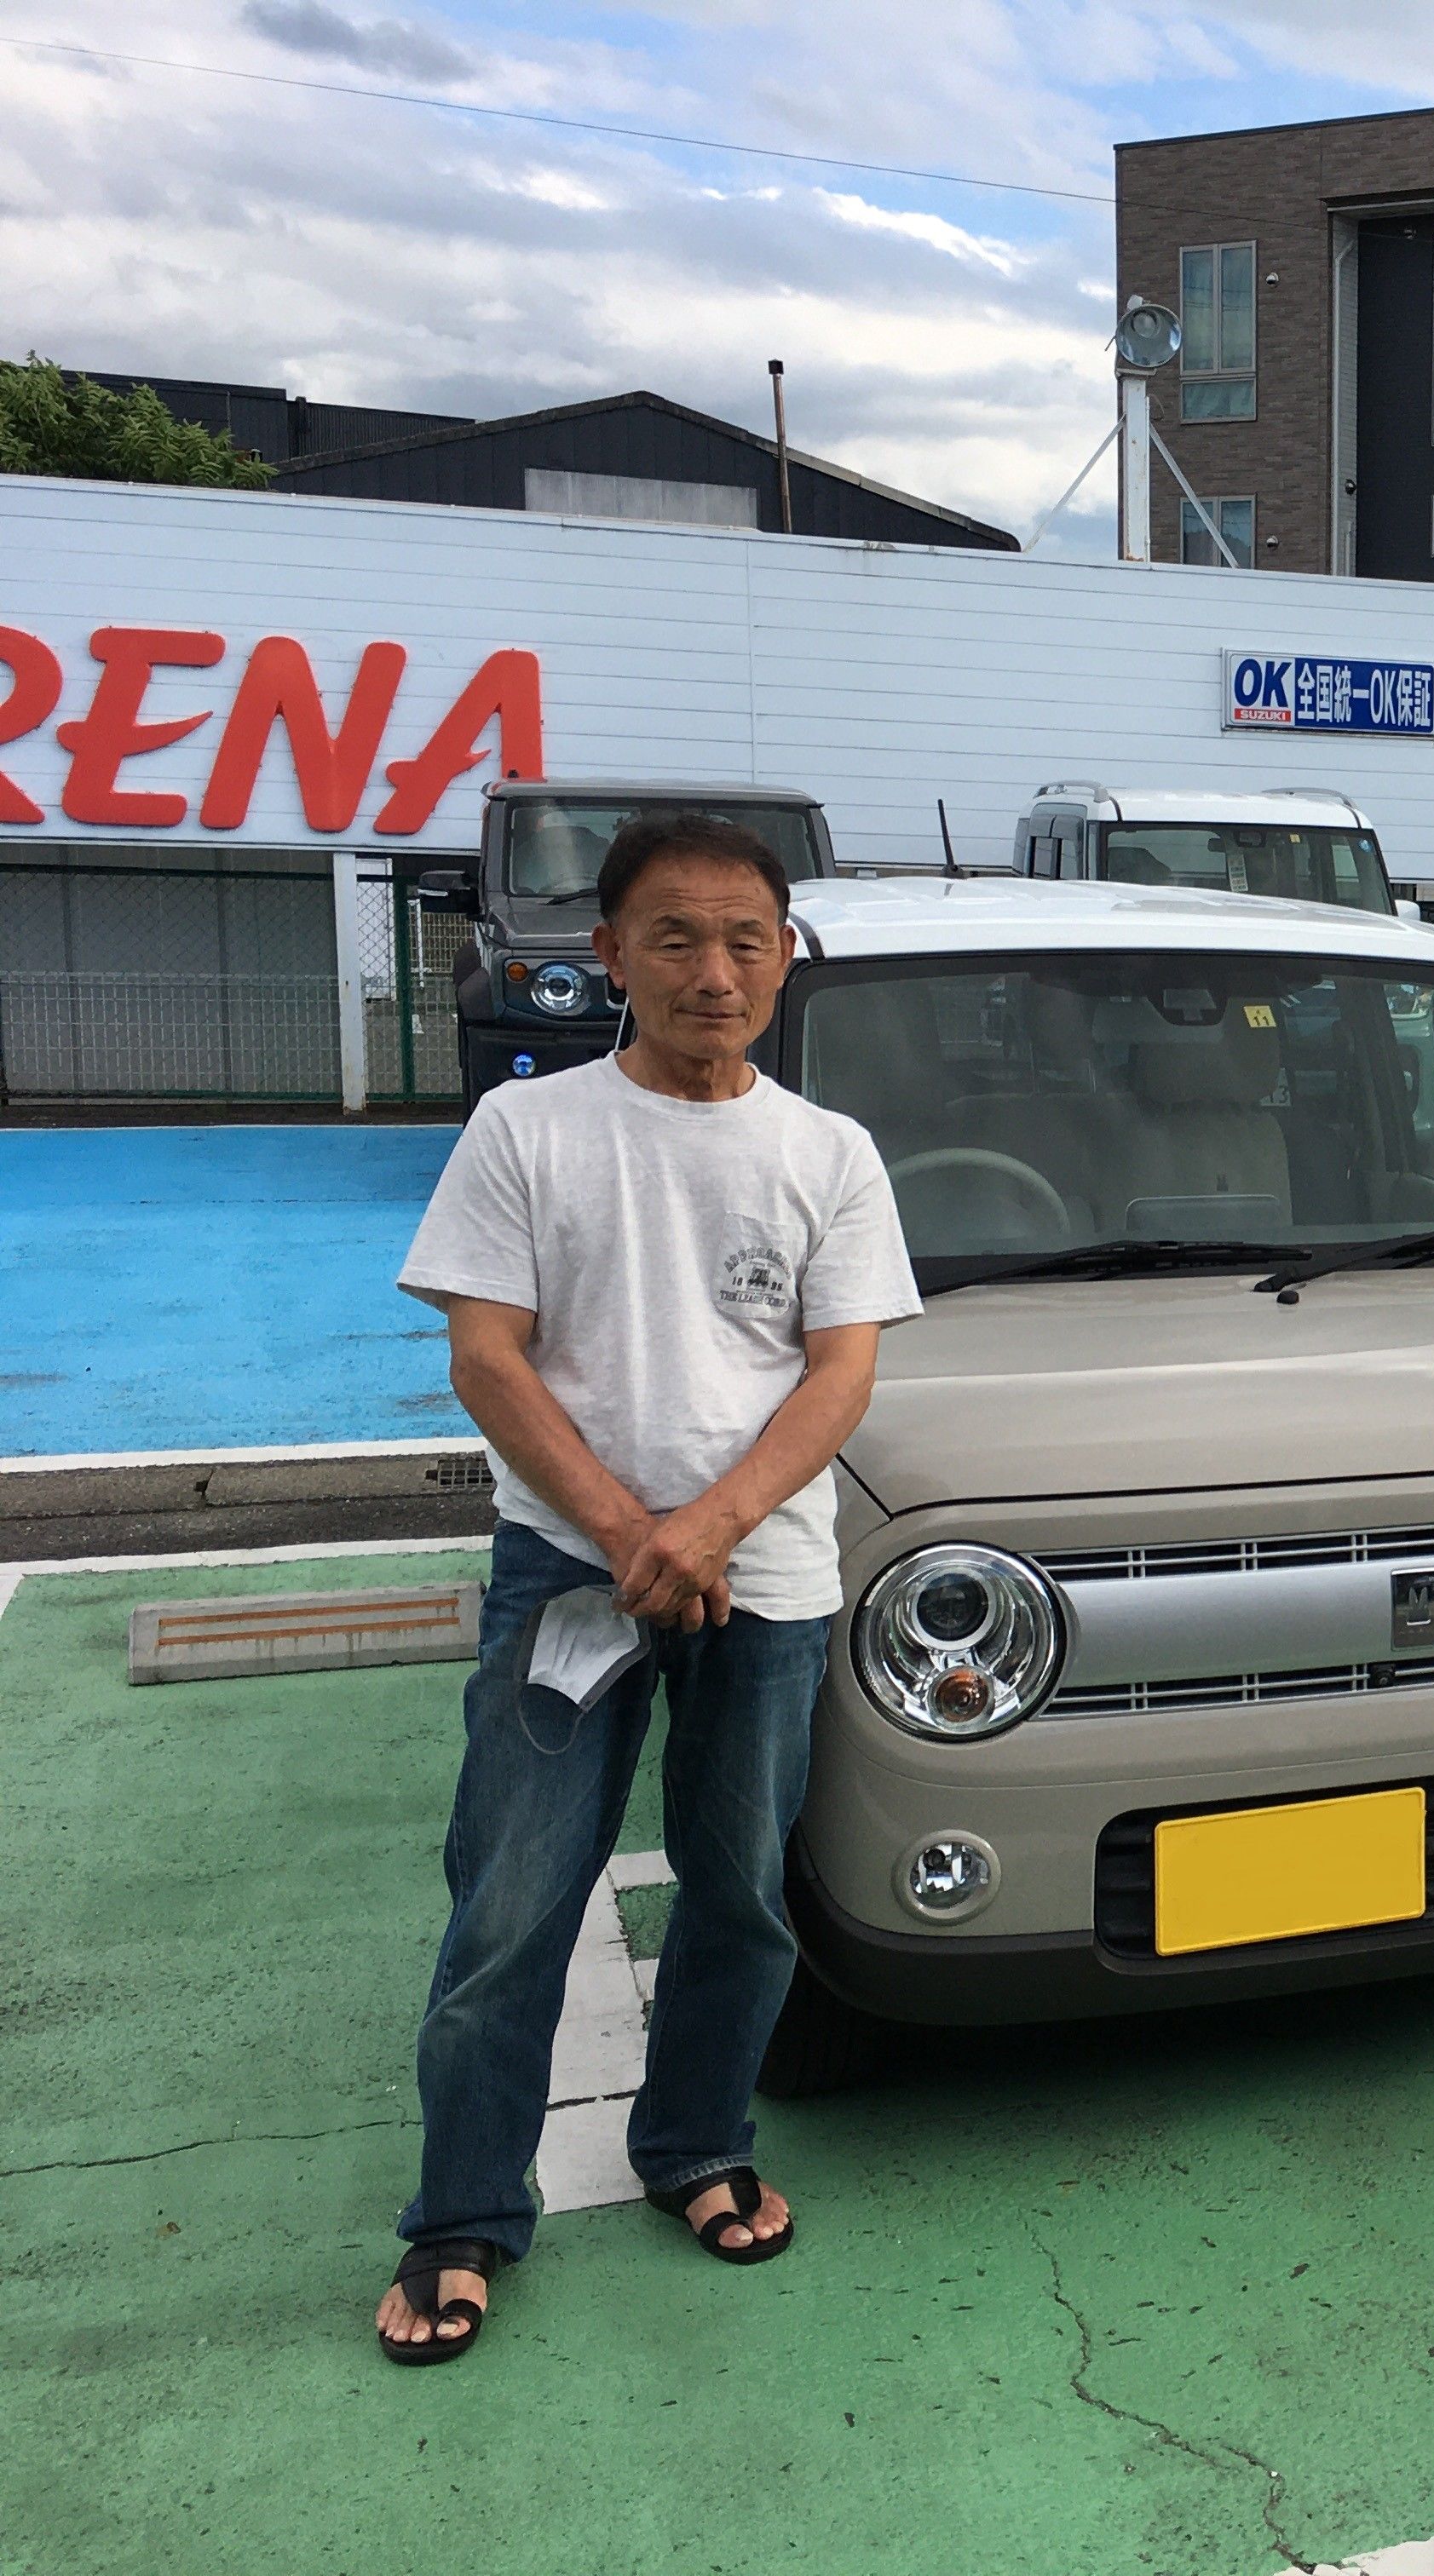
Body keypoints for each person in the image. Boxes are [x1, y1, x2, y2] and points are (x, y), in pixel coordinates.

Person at [372, 813, 920, 2363]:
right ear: (610, 955)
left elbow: (840, 1376)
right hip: (569, 1566)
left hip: (770, 1578)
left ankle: (695, 2145)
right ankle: (462, 2214)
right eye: (674, 937)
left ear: (785, 957)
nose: (713, 971)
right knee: (511, 1900)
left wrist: (710, 1529)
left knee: (739, 1891)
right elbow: (486, 1356)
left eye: (746, 939)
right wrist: (630, 1533)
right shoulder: (528, 1131)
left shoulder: (829, 1152)